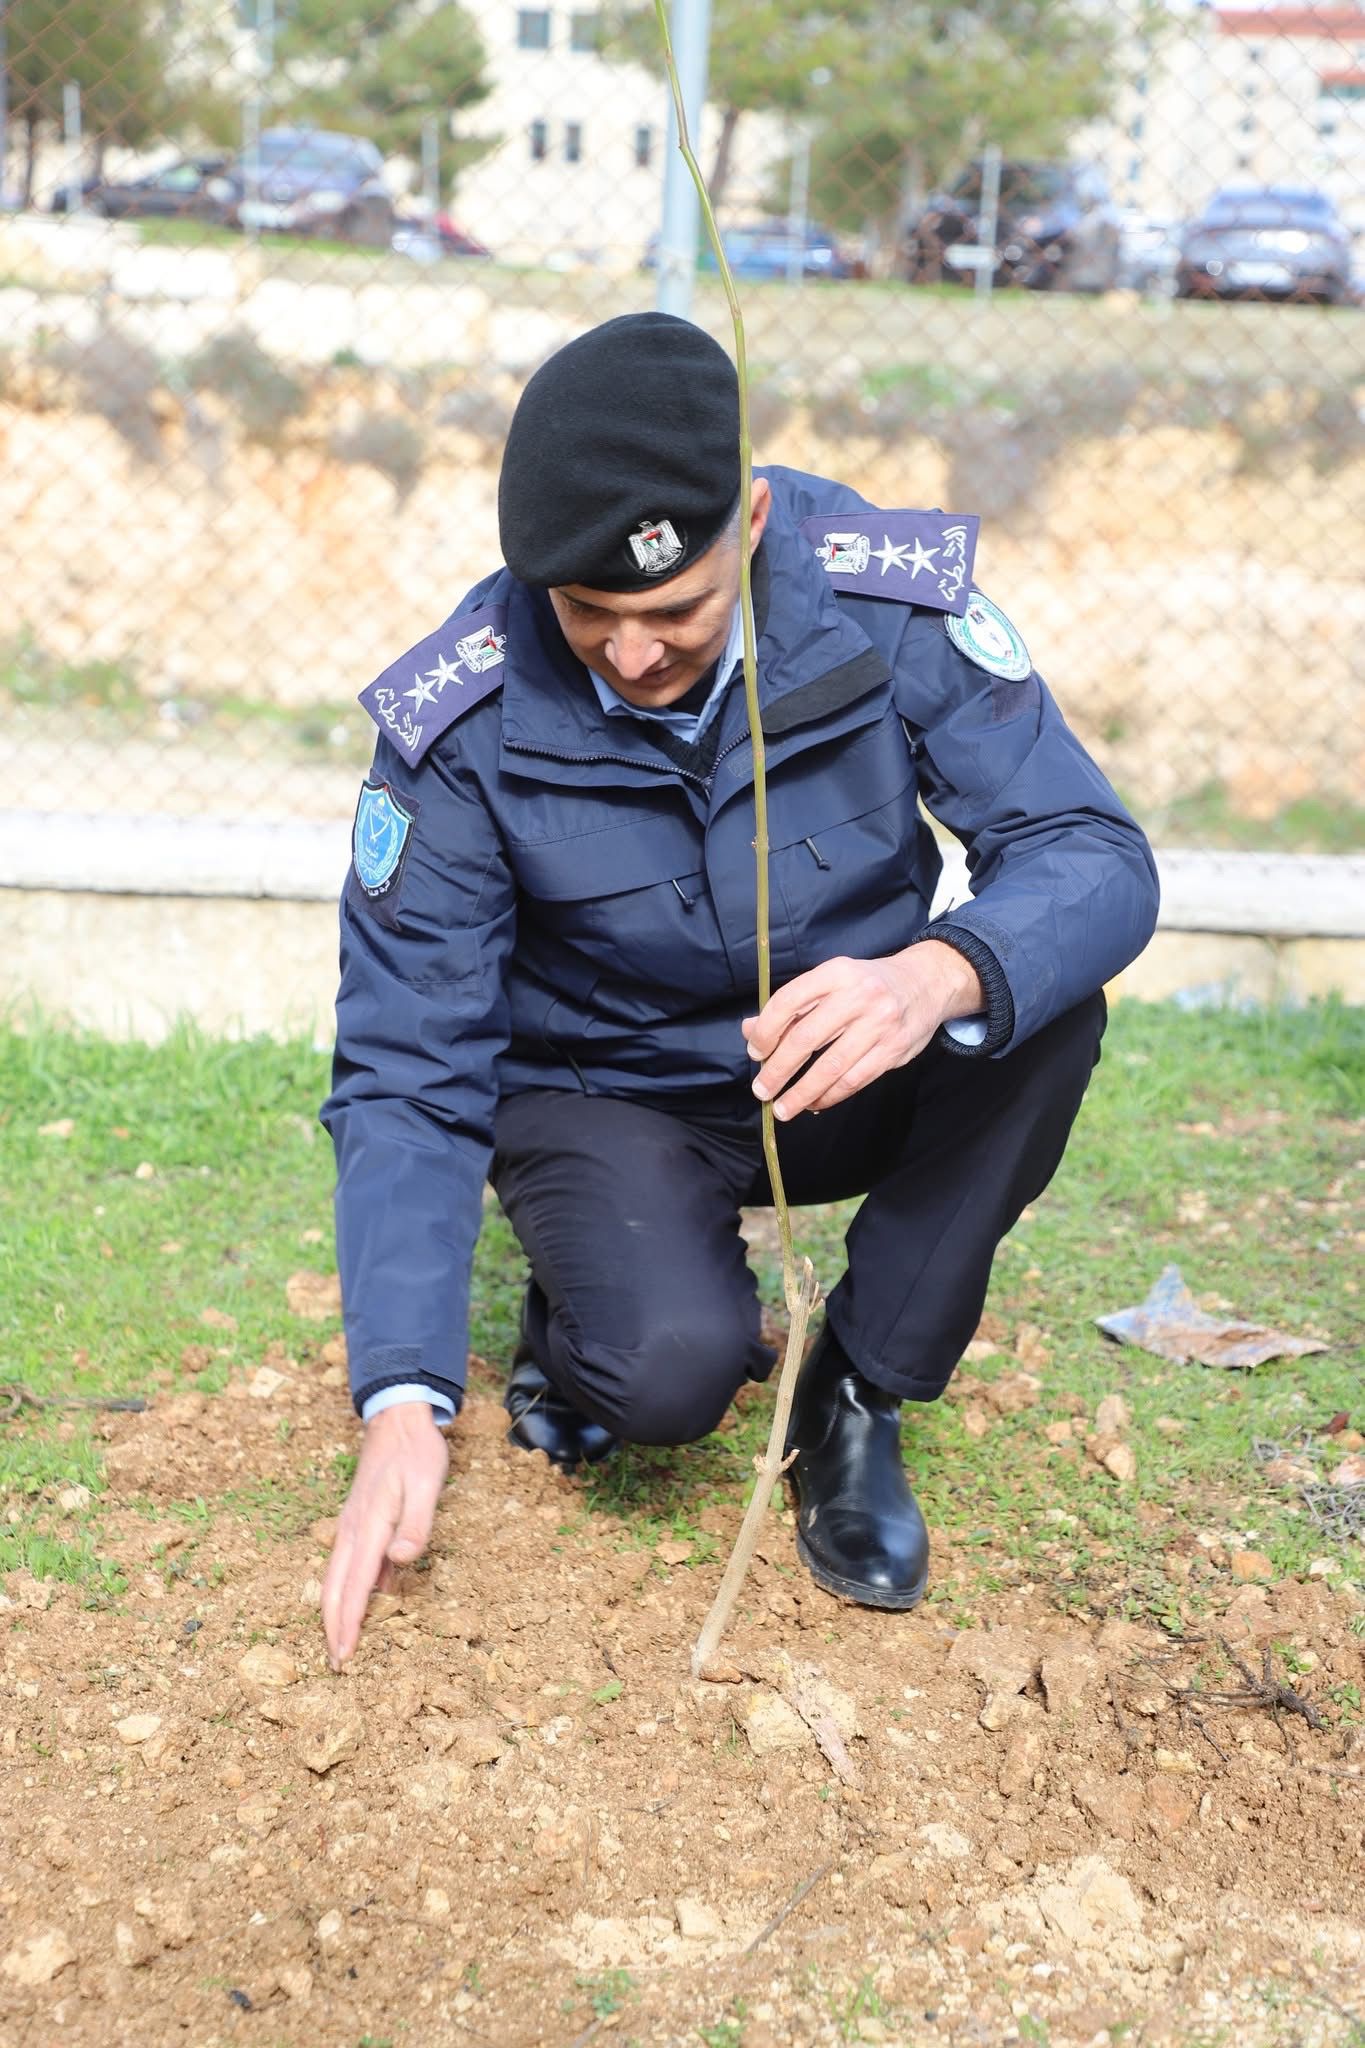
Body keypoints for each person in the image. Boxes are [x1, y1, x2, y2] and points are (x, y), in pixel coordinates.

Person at [319, 311, 1158, 1670]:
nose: (632, 655)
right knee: (662, 1376)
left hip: (844, 1056)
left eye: (675, 613)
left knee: (1040, 999)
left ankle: (855, 1391)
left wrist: (935, 972)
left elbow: (1091, 853)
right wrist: (401, 1401)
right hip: (613, 1097)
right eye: (588, 614)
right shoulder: (461, 712)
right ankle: (586, 1301)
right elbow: (408, 1064)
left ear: (751, 522)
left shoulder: (881, 600)